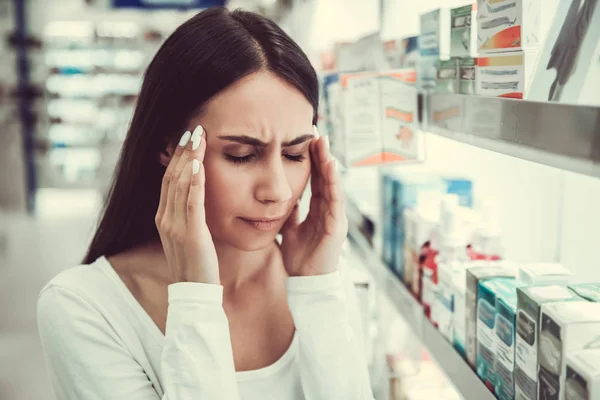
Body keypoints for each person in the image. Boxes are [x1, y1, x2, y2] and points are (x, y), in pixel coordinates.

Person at [36, 7, 374, 400]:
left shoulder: (328, 281)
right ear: (169, 146)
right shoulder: (83, 308)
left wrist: (316, 289)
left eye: (295, 154)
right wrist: (195, 296)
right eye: (241, 155)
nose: (278, 191)